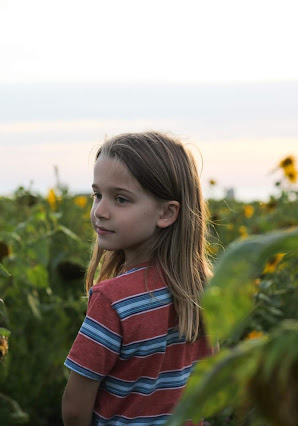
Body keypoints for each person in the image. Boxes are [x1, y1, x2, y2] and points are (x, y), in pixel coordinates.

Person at [62, 131, 213, 426]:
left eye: (120, 199)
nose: (100, 211)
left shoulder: (113, 300)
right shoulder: (205, 290)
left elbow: (74, 407)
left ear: (167, 213)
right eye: (97, 195)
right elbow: (208, 382)